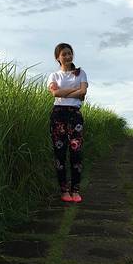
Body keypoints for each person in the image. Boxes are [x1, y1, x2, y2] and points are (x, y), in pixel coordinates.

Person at [47, 43, 88, 203]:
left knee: (76, 152)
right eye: (64, 54)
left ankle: (75, 190)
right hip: (58, 115)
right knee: (60, 154)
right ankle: (64, 191)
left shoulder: (81, 73)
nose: (68, 56)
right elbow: (55, 93)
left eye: (70, 53)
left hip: (75, 115)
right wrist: (75, 92)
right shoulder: (54, 76)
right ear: (58, 57)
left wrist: (63, 93)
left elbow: (83, 92)